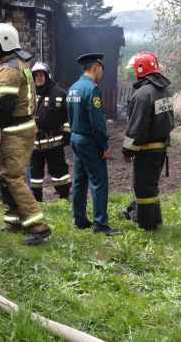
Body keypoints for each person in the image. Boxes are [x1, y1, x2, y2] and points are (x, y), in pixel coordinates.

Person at [0, 23, 52, 246]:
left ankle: (39, 227)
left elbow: (3, 108)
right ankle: (13, 222)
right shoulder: (15, 65)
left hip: (14, 132)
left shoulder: (9, 70)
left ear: (6, 43)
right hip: (16, 131)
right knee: (5, 177)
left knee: (14, 178)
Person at [67, 53, 123, 236]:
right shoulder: (92, 89)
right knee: (98, 182)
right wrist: (104, 146)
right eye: (102, 69)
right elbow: (97, 122)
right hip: (89, 140)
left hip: (75, 138)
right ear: (96, 67)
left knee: (79, 180)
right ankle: (100, 224)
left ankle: (80, 219)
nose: (101, 73)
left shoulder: (73, 88)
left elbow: (70, 116)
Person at [120, 52, 175, 231]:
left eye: (134, 70)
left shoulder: (143, 94)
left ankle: (146, 223)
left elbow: (137, 127)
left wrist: (128, 151)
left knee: (144, 188)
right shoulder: (164, 90)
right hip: (160, 149)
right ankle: (144, 214)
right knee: (149, 185)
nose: (133, 74)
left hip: (146, 150)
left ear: (141, 70)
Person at [29, 61, 72, 202]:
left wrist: (67, 133)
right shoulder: (29, 94)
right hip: (34, 144)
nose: (39, 78)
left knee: (59, 171)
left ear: (47, 76)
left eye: (41, 75)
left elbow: (68, 116)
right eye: (36, 76)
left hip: (54, 143)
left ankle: (64, 196)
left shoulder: (59, 93)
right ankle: (37, 199)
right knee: (35, 173)